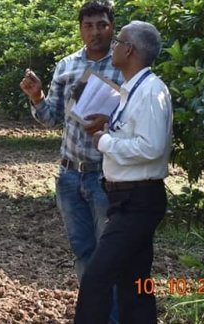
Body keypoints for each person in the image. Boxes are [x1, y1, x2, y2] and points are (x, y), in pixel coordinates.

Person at [19, 0, 123, 321]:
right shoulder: (66, 66)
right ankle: (93, 315)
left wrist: (111, 125)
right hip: (69, 176)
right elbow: (51, 118)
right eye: (89, 26)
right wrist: (36, 97)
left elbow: (133, 121)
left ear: (112, 28)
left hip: (105, 176)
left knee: (110, 256)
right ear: (80, 29)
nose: (95, 32)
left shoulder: (122, 67)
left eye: (102, 25)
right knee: (82, 252)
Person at [74, 20, 172, 324]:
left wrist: (105, 141)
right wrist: (109, 123)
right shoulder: (132, 91)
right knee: (135, 286)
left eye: (118, 40)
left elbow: (152, 147)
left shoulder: (152, 91)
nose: (112, 45)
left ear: (128, 50)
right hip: (126, 199)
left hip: (138, 201)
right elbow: (134, 134)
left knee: (96, 279)